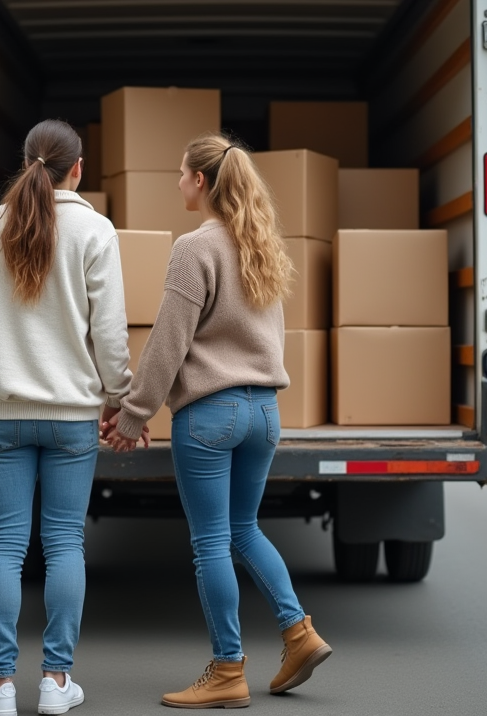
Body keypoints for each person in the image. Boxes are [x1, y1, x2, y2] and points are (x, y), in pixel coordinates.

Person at [101, 134, 332, 709]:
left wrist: (132, 414)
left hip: (211, 414)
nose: (178, 182)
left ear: (201, 182)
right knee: (244, 529)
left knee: (210, 544)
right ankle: (298, 633)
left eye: (181, 174)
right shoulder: (260, 244)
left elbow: (168, 342)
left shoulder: (194, 247)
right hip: (264, 412)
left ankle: (228, 670)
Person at [0, 118, 144, 716]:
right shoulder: (95, 229)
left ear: (27, 163)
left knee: (6, 548)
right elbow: (109, 332)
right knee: (65, 542)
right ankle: (56, 685)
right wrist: (118, 399)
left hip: (4, 414)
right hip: (72, 418)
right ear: (79, 168)